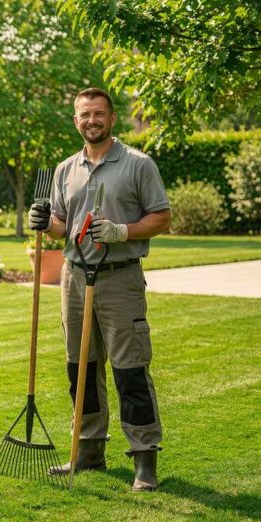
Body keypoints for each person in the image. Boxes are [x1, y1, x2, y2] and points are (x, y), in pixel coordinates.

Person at [28, 87, 170, 492]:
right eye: (84, 114)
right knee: (81, 369)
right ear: (76, 120)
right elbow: (60, 224)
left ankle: (145, 461)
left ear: (112, 117)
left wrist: (122, 231)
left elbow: (162, 217)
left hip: (119, 278)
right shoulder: (65, 169)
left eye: (98, 114)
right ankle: (87, 451)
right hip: (74, 277)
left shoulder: (138, 165)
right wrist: (44, 221)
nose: (91, 120)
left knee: (130, 371)